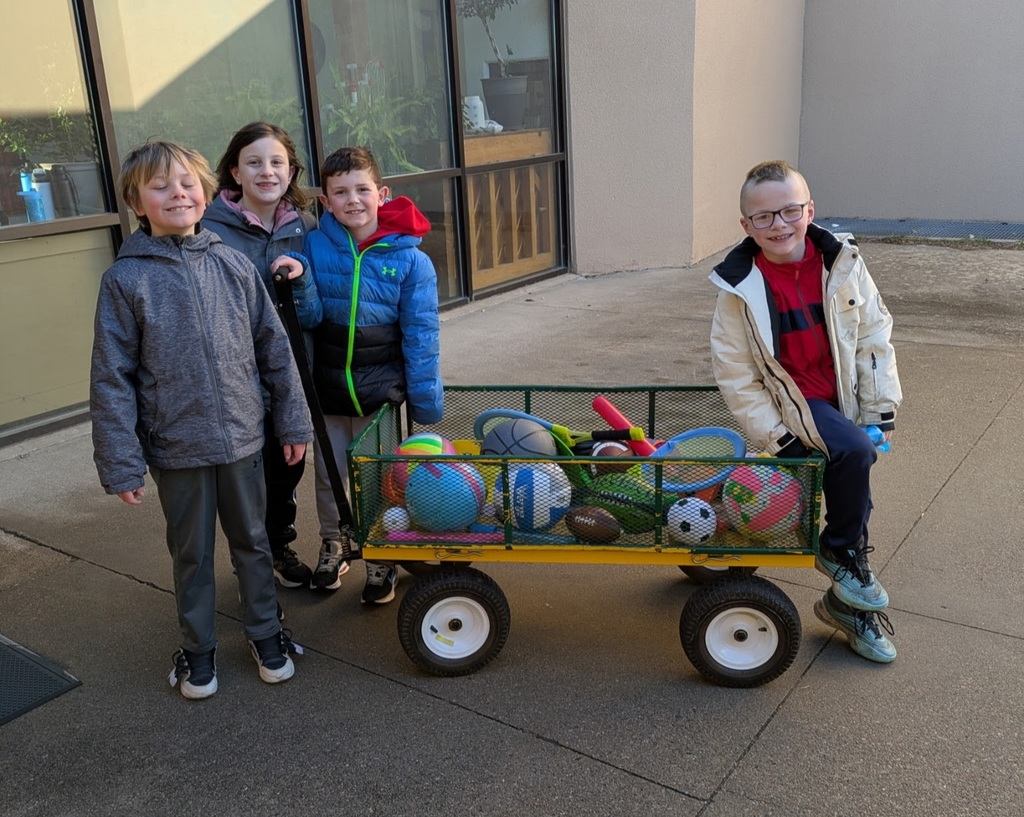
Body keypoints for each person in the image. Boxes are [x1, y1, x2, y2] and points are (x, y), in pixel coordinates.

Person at [90, 141, 313, 699]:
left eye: (187, 183)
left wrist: (292, 422)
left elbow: (274, 350)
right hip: (176, 446)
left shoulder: (233, 264)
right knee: (191, 554)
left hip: (243, 438)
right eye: (160, 186)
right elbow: (111, 376)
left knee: (255, 543)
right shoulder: (125, 280)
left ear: (206, 192)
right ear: (136, 203)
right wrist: (121, 461)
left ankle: (267, 636)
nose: (177, 194)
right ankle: (198, 651)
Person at [708, 159, 902, 663]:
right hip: (794, 403)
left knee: (854, 493)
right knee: (854, 455)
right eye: (763, 217)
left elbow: (873, 337)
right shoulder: (739, 287)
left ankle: (848, 606)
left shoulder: (844, 264)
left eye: (789, 211)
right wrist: (780, 436)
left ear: (809, 210)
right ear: (746, 225)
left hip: (843, 399)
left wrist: (879, 410)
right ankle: (837, 551)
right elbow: (737, 376)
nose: (779, 225)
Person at [301, 146, 443, 602]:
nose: (353, 200)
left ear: (382, 194)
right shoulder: (314, 246)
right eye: (340, 192)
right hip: (328, 389)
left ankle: (381, 554)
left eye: (362, 190)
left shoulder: (411, 260)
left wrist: (425, 401)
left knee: (379, 477)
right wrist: (299, 282)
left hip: (379, 393)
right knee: (329, 476)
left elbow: (421, 335)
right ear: (326, 201)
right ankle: (334, 542)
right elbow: (308, 315)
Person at [203, 122, 318, 591]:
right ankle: (251, 560)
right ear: (235, 171)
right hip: (239, 379)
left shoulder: (306, 226)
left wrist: (301, 279)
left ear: (291, 171)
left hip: (293, 376)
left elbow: (313, 311)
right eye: (254, 162)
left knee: (288, 466)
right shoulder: (209, 229)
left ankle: (278, 544)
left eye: (276, 162)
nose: (266, 172)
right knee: (247, 477)